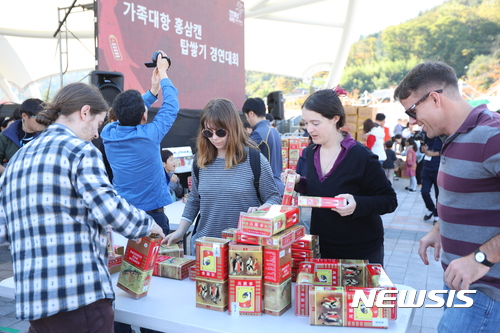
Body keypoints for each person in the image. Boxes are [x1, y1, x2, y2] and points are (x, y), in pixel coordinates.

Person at [0, 82, 165, 332]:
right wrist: (148, 224)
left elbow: (3, 228)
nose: (97, 134)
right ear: (84, 112)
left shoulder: (18, 159)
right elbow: (108, 208)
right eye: (98, 124)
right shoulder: (79, 150)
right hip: (79, 298)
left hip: (34, 299)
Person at [395, 61, 500, 332]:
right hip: (460, 281)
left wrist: (480, 259)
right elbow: (469, 196)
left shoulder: (492, 137)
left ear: (434, 98)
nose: (412, 121)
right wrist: (440, 227)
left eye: (412, 111)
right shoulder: (453, 137)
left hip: (486, 291)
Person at [281, 89, 397, 266]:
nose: (309, 129)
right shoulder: (310, 153)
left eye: (316, 123)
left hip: (360, 250)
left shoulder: (361, 156)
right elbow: (319, 189)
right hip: (323, 247)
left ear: (335, 119)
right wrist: (298, 182)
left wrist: (357, 204)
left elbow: (389, 200)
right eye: (306, 123)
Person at [164, 98, 281, 253]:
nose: (214, 138)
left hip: (243, 250)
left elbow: (273, 197)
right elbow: (194, 199)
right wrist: (180, 231)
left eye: (220, 132)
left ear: (232, 128)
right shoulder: (200, 161)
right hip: (205, 247)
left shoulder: (254, 159)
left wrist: (262, 210)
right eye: (208, 132)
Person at [101, 51, 177, 237]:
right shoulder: (150, 135)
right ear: (144, 116)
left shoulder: (108, 133)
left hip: (123, 215)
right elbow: (172, 104)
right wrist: (163, 72)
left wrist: (153, 91)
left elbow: (123, 113)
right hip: (153, 218)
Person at [242, 97, 284, 194]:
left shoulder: (258, 134)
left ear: (251, 113)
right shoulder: (274, 130)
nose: (247, 120)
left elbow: (243, 156)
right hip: (278, 184)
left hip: (267, 188)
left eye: (246, 116)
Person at [0, 98, 45, 174]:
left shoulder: (48, 135)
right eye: (38, 117)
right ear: (24, 116)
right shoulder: (7, 136)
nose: (42, 121)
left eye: (45, 117)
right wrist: (10, 174)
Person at [420, 134, 441, 224]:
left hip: (438, 168)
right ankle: (431, 208)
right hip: (427, 167)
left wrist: (433, 153)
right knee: (424, 191)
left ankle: (437, 214)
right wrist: (423, 149)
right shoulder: (427, 134)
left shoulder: (443, 135)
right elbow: (422, 148)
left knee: (438, 195)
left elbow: (447, 150)